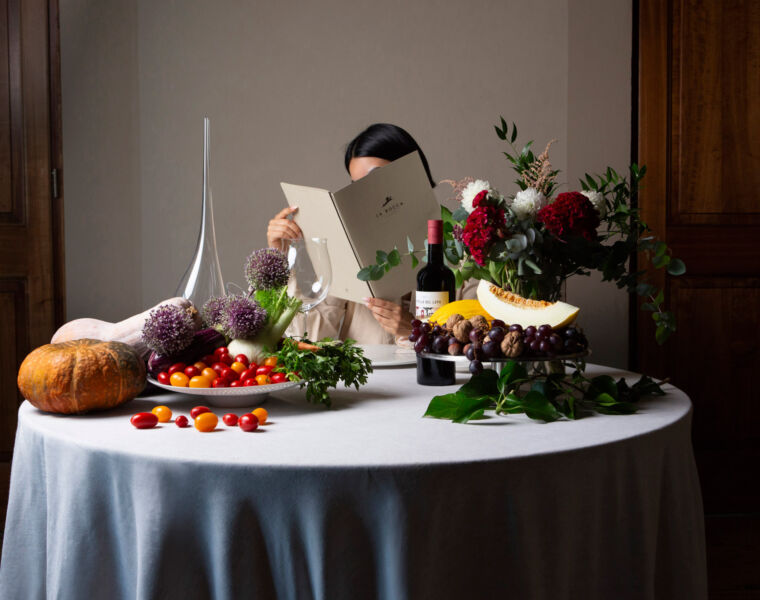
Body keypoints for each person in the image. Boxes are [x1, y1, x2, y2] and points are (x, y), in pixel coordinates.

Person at [267, 123, 434, 344]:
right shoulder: (355, 247)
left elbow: (478, 338)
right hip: (369, 377)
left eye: (375, 178)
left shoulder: (457, 244)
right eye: (357, 185)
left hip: (434, 378)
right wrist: (280, 258)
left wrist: (416, 330)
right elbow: (311, 335)